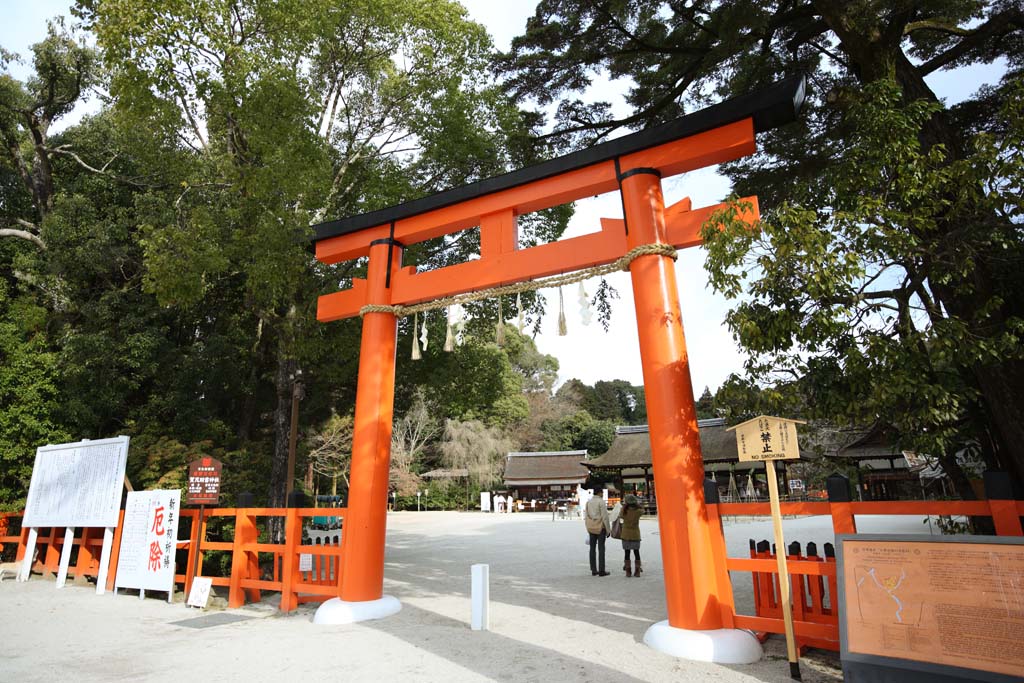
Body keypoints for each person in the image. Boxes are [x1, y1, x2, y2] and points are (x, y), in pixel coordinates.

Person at [584, 491, 612, 576]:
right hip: (600, 527)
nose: (603, 494)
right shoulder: (601, 502)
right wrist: (608, 530)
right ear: (599, 493)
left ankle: (593, 569)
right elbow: (605, 517)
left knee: (592, 548)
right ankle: (601, 570)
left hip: (591, 527)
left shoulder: (588, 502)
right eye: (602, 493)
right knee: (601, 549)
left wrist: (587, 527)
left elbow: (586, 516)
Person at [619, 493, 643, 577]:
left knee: (627, 553)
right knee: (636, 552)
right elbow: (642, 510)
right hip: (635, 533)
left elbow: (620, 516)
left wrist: (624, 506)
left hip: (626, 534)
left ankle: (628, 571)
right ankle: (637, 571)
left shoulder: (624, 510)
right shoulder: (638, 511)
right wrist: (637, 505)